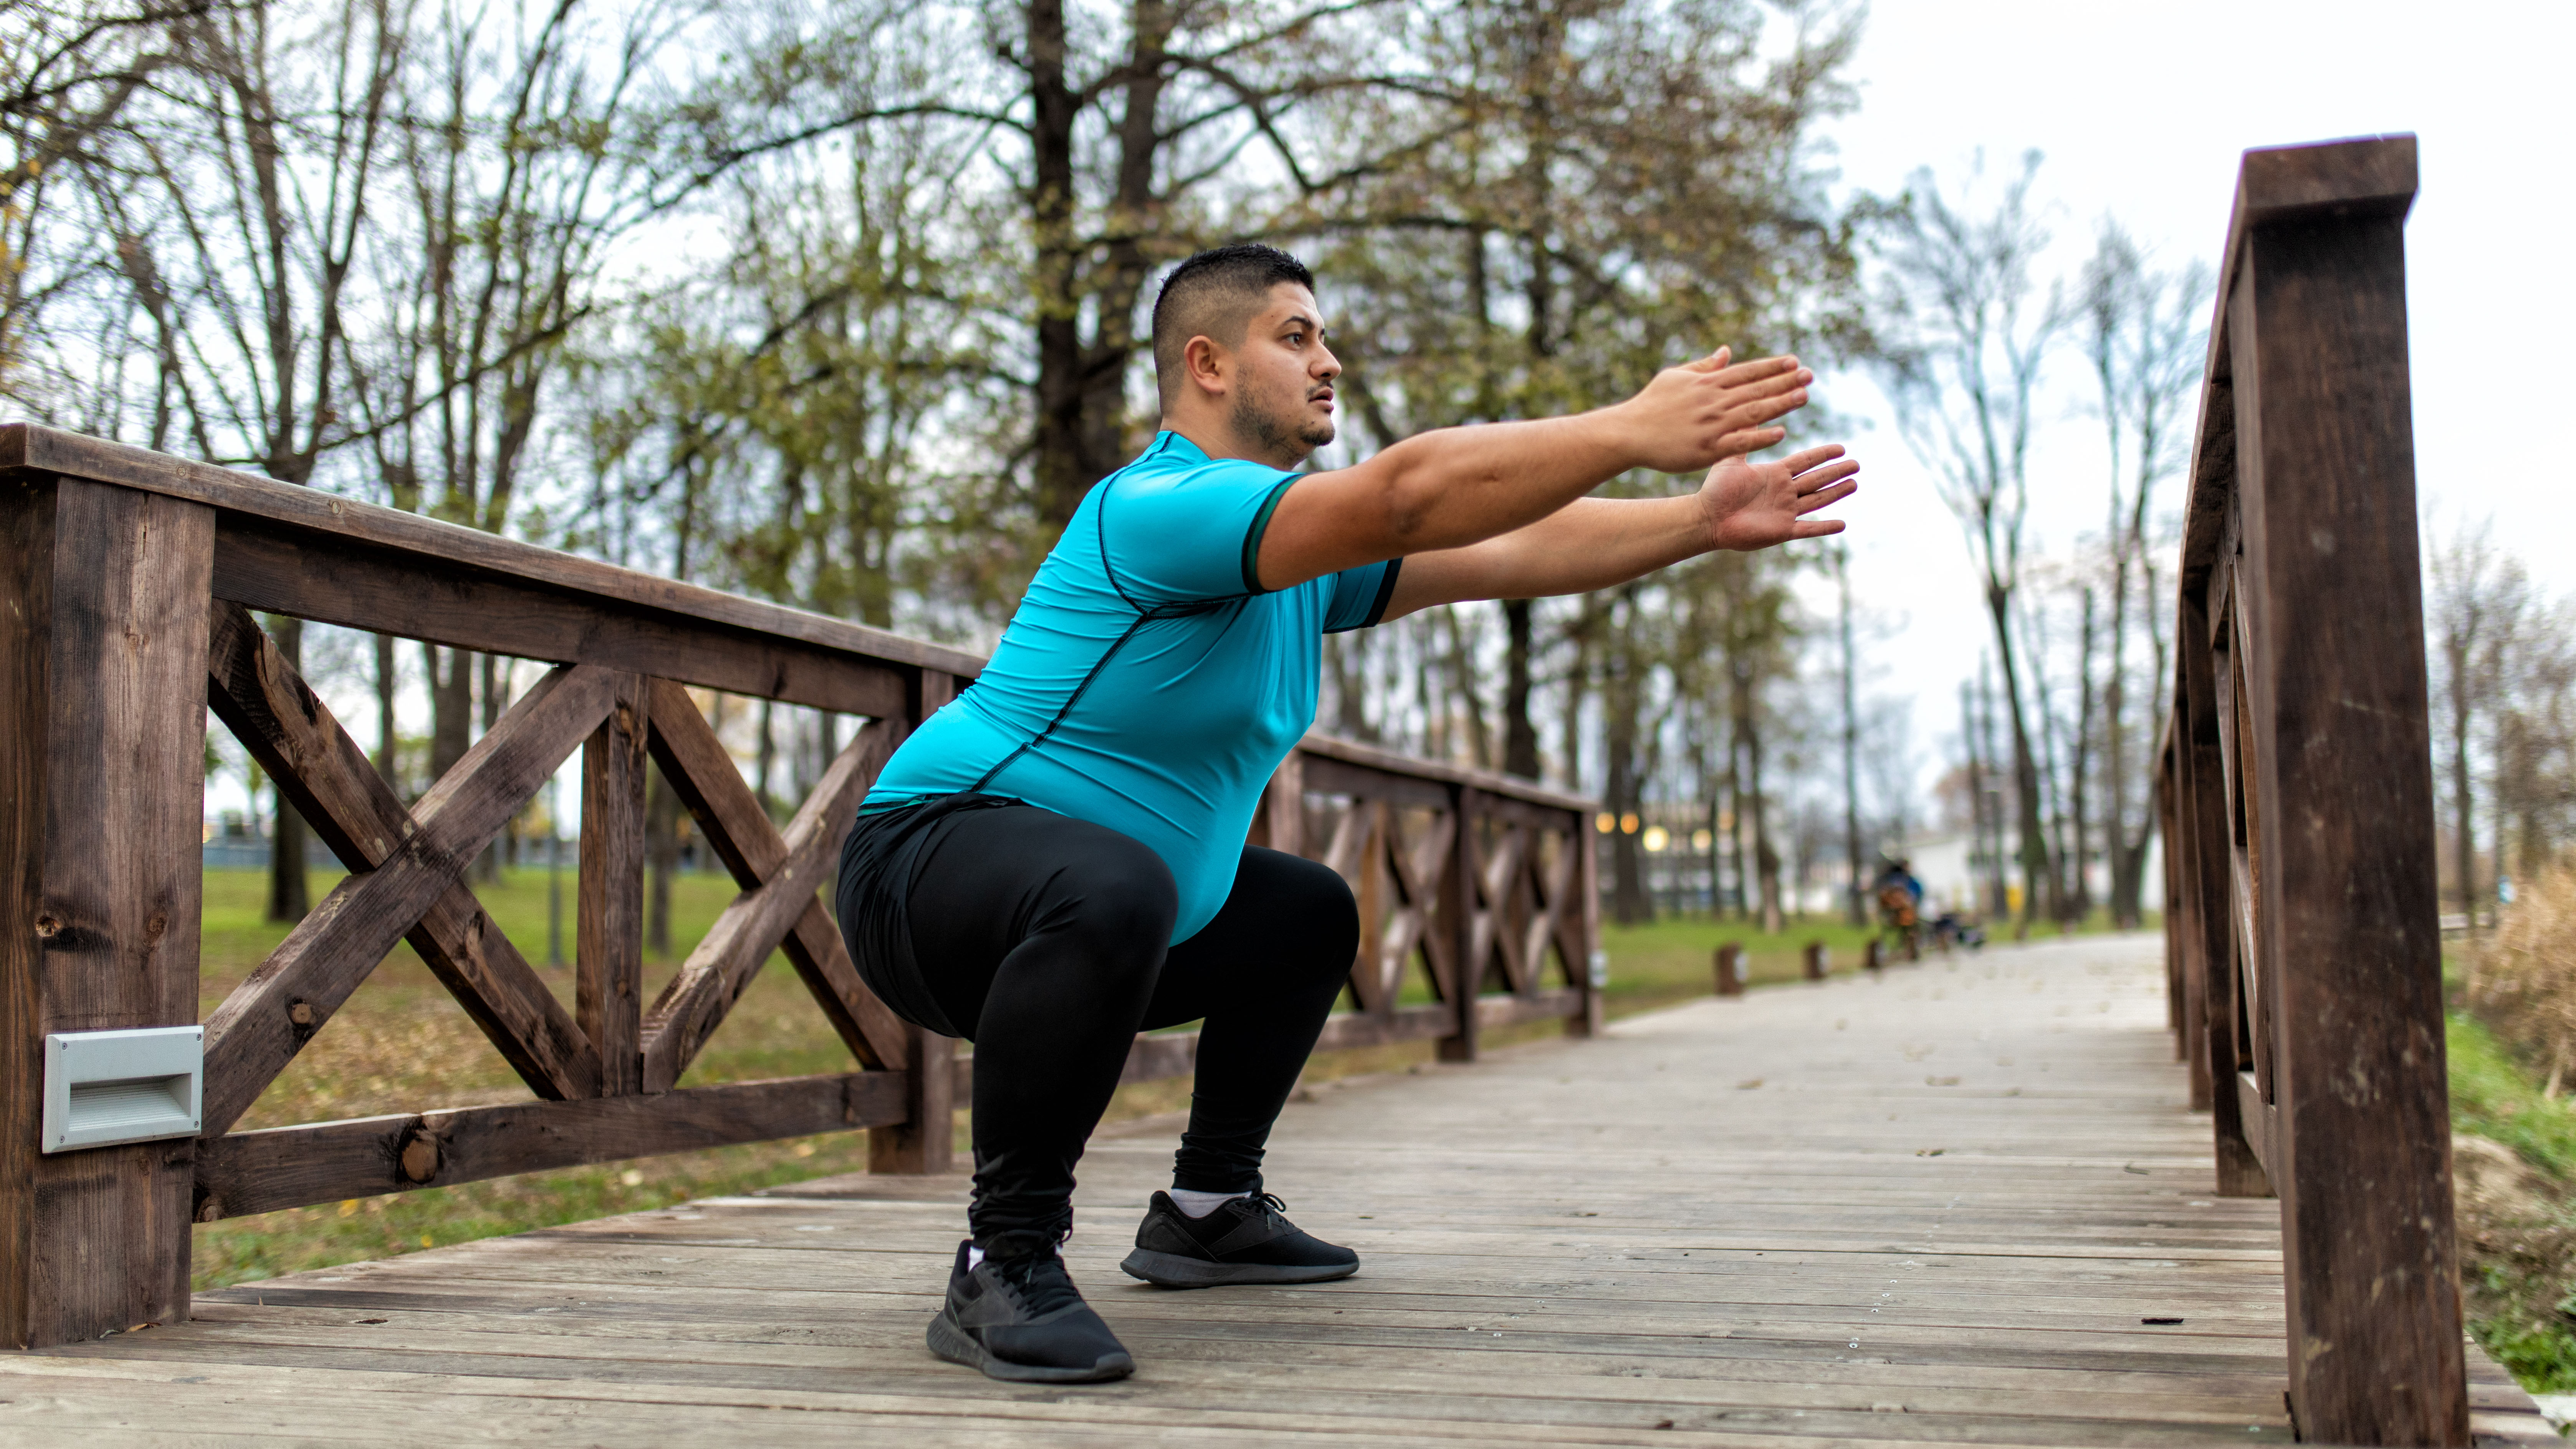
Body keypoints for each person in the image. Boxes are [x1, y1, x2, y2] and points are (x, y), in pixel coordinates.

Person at [835, 243, 1858, 1384]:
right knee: (1119, 878)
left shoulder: (1297, 553)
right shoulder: (1160, 506)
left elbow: (1501, 547)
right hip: (927, 873)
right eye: (1297, 336)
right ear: (1207, 363)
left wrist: (1697, 519)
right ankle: (1005, 1259)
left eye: (1324, 337)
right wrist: (1628, 425)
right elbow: (1410, 492)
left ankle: (1210, 1209)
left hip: (1099, 919)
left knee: (1305, 909)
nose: (1329, 361)